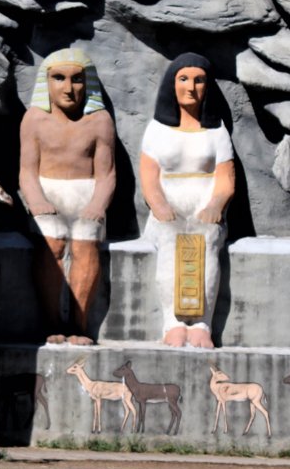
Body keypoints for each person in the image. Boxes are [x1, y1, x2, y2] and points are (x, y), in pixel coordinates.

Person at [19, 47, 117, 344]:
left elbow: (107, 174)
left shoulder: (99, 121)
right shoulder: (34, 119)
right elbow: (27, 172)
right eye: (59, 78)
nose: (68, 88)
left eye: (77, 79)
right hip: (47, 195)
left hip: (87, 197)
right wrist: (37, 200)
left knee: (86, 245)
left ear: (88, 83)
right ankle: (51, 324)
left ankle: (79, 325)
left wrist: (98, 204)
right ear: (46, 82)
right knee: (52, 243)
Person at [139, 53, 235, 348]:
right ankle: (173, 322)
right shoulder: (157, 130)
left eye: (199, 80)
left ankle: (202, 324)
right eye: (183, 79)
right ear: (172, 83)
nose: (191, 88)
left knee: (208, 242)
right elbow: (149, 178)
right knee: (170, 241)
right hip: (168, 210)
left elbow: (226, 180)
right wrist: (160, 206)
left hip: (205, 210)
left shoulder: (217, 131)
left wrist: (215, 205)